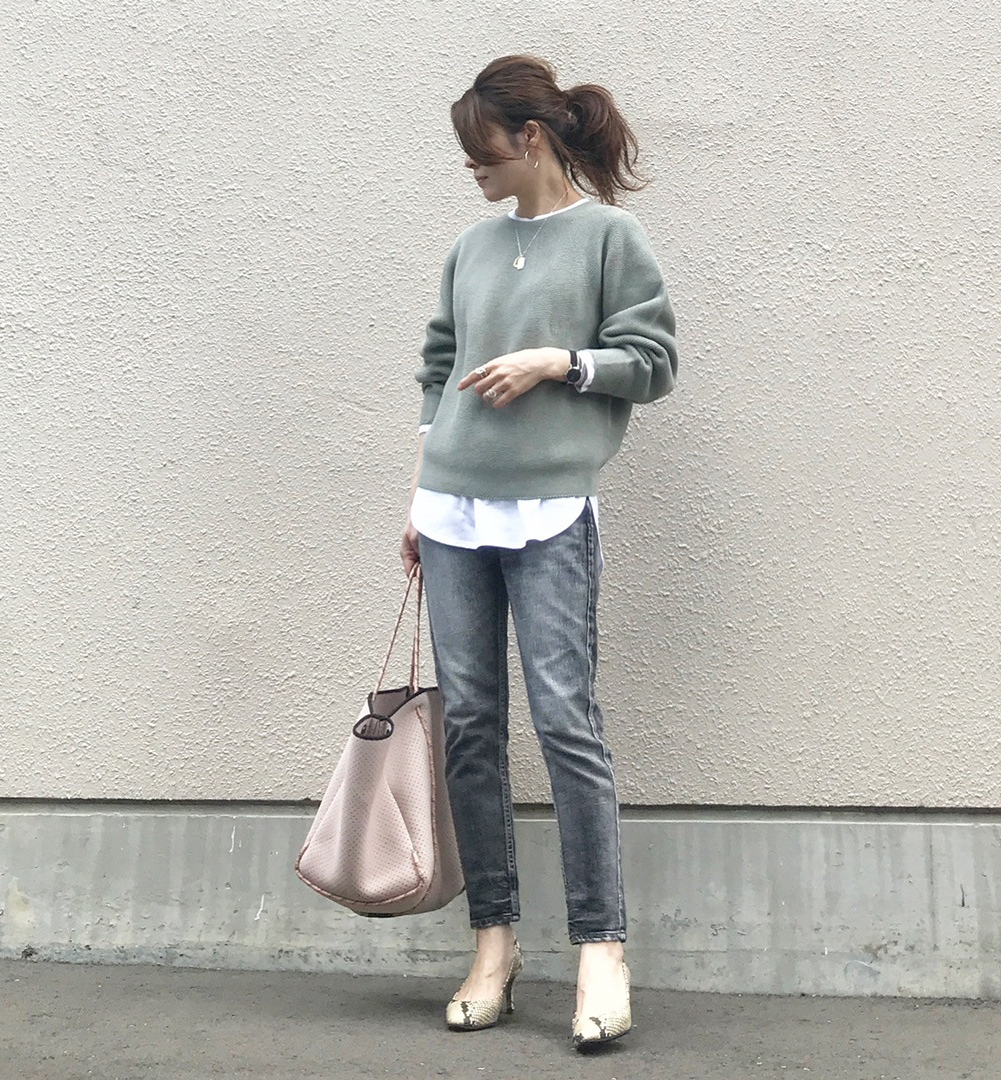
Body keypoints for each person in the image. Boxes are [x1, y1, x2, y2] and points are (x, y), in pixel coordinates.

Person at [400, 55, 677, 1049]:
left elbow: (654, 362)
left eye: (483, 151)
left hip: (551, 511)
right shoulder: (470, 247)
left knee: (566, 723)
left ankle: (601, 950)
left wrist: (560, 362)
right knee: (472, 728)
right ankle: (494, 946)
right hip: (452, 512)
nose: (472, 169)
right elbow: (437, 367)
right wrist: (418, 495)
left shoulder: (610, 238)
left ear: (532, 137)